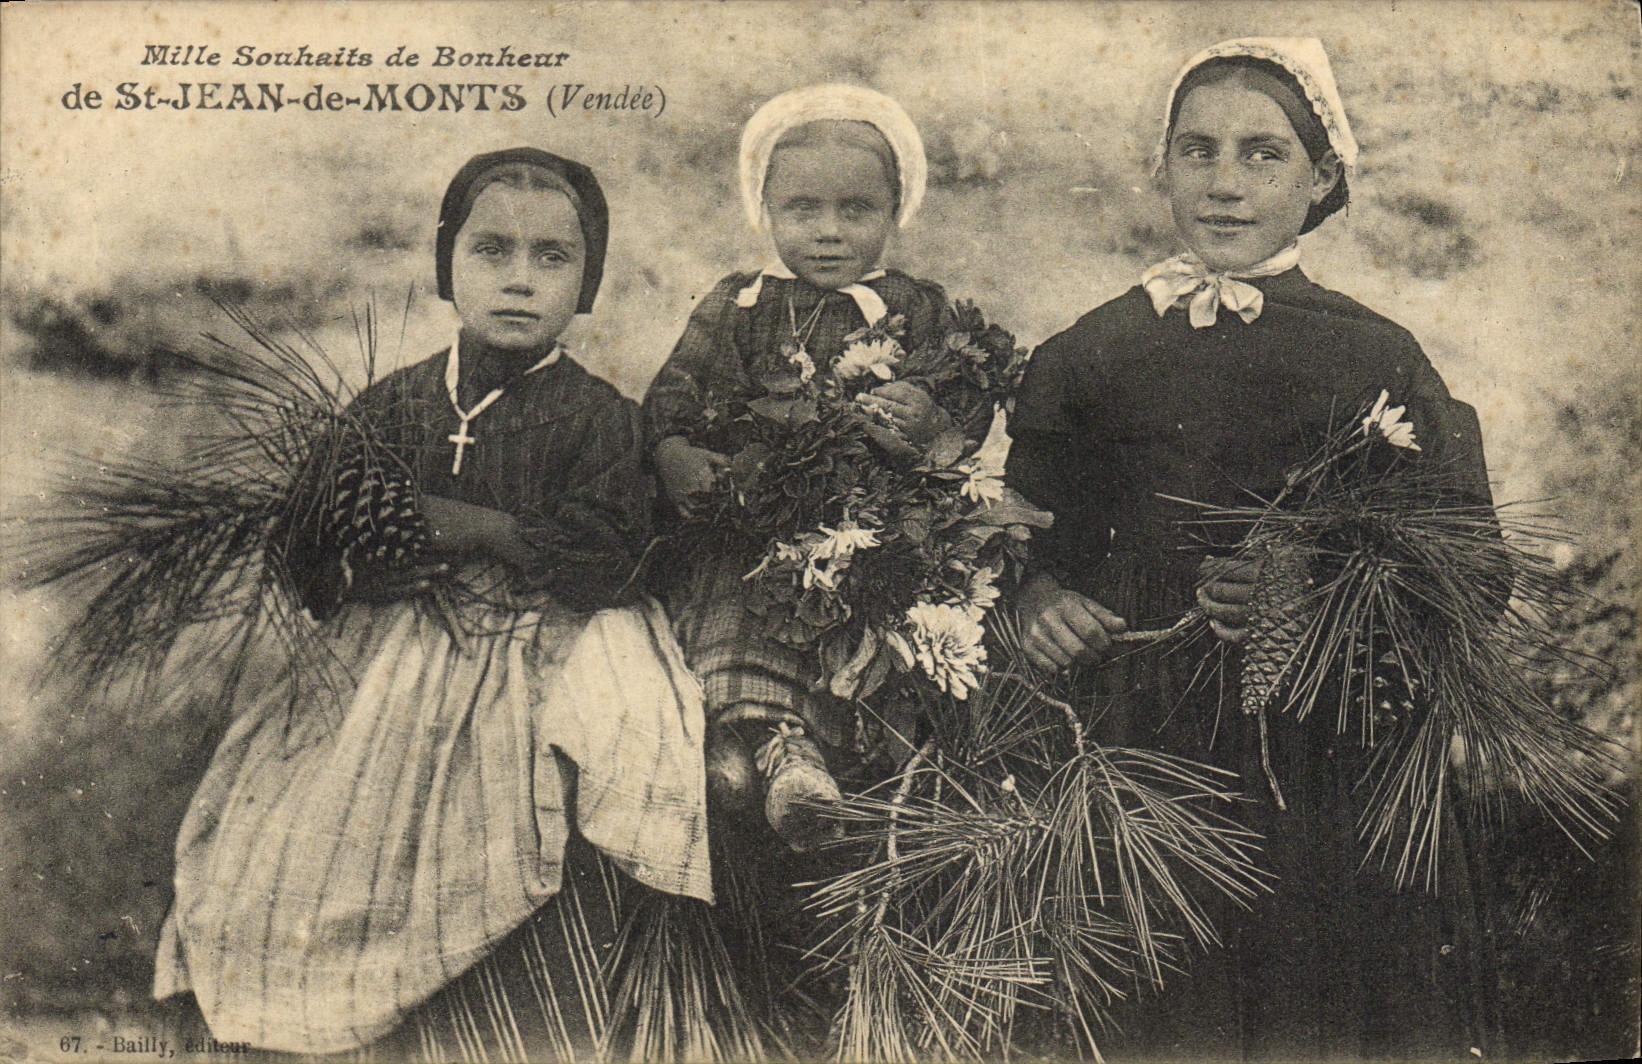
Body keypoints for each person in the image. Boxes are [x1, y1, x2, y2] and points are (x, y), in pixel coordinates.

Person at [152, 148, 713, 1056]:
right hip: (386, 660)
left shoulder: (601, 418)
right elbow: (304, 536)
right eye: (492, 252)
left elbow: (612, 559)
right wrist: (358, 573)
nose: (520, 282)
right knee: (286, 825)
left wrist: (475, 527)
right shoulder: (394, 404)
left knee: (526, 795)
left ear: (589, 281)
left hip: (540, 643)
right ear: (447, 265)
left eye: (552, 258)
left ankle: (502, 1029)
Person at [1006, 39, 1501, 1061]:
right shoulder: (1089, 353)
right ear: (1161, 167)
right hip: (1135, 737)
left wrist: (1312, 595)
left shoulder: (1373, 355)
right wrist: (1032, 595)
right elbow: (1007, 526)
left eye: (1262, 155)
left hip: (1320, 758)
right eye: (1198, 151)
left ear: (1320, 180)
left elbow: (1469, 569)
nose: (1224, 184)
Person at [642, 84, 953, 849]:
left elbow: (962, 415)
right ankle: (757, 747)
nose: (828, 232)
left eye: (857, 210)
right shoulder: (740, 303)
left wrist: (930, 420)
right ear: (766, 208)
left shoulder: (916, 309)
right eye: (802, 210)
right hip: (754, 518)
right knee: (733, 592)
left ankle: (784, 753)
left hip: (865, 523)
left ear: (895, 210)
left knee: (864, 624)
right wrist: (673, 451)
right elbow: (672, 394)